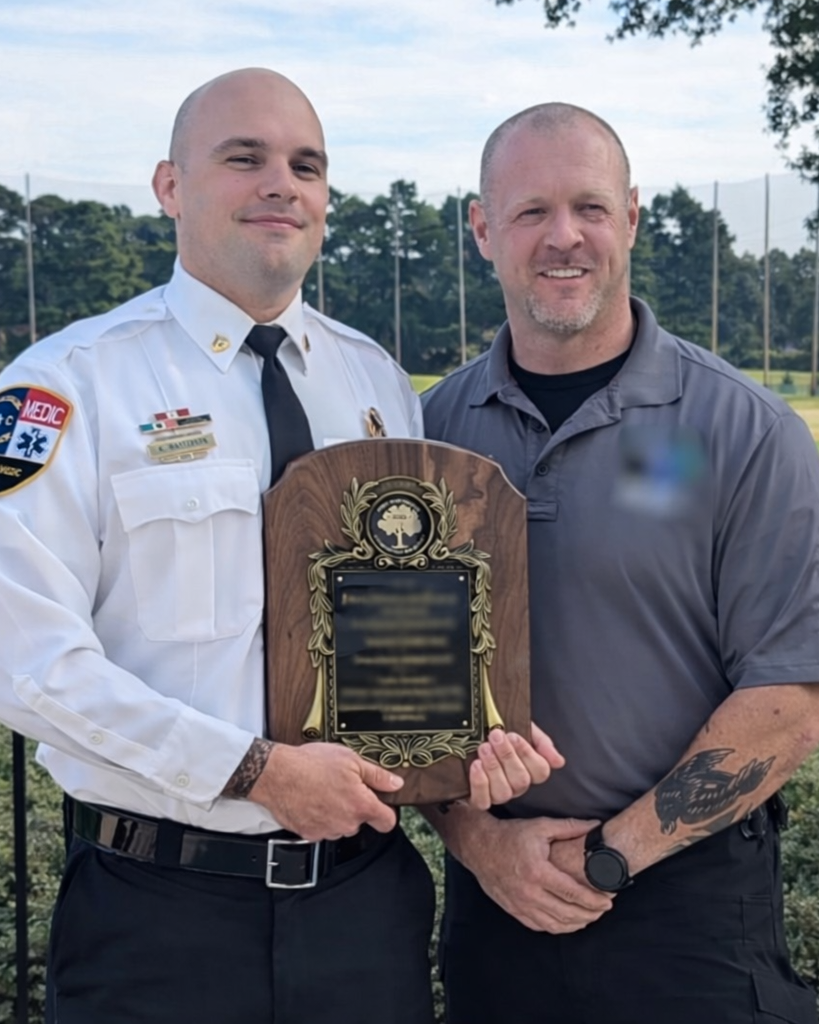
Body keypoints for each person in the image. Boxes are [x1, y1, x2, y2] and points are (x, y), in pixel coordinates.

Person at [0, 70, 559, 1024]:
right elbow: (27, 659)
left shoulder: (373, 379)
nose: (280, 184)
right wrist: (255, 772)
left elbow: (411, 616)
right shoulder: (67, 387)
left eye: (306, 165)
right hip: (158, 913)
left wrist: (470, 737)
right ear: (170, 187)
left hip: (364, 905)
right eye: (243, 158)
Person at [422, 102, 819, 1024]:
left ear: (630, 218)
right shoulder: (428, 434)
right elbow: (389, 699)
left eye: (589, 208)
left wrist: (606, 857)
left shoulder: (737, 431)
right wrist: (483, 845)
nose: (564, 238)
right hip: (494, 901)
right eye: (529, 213)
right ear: (482, 230)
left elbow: (790, 697)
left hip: (689, 908)